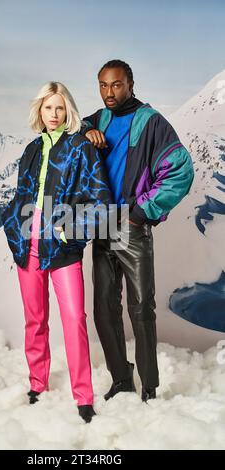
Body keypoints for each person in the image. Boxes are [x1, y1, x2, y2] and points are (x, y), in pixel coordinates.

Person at [81, 60, 194, 402]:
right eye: (102, 85)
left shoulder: (151, 122)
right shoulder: (97, 120)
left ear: (130, 84)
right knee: (104, 308)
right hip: (103, 223)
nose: (108, 92)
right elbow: (67, 133)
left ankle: (149, 386)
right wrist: (84, 132)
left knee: (141, 308)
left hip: (130, 225)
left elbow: (181, 170)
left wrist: (141, 212)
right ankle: (121, 378)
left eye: (115, 85)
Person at [1, 81, 112, 423]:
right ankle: (37, 384)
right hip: (28, 243)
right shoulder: (32, 150)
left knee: (74, 320)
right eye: (48, 107)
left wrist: (69, 230)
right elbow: (22, 195)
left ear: (69, 111)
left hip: (63, 247)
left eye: (60, 108)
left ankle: (83, 396)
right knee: (35, 320)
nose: (54, 114)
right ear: (40, 110)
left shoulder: (81, 148)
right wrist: (12, 225)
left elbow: (101, 202)